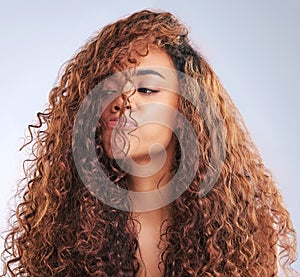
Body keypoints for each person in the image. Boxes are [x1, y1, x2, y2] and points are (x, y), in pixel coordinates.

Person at [1, 9, 298, 277]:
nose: (122, 102)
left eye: (146, 89)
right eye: (109, 89)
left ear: (186, 110)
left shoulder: (240, 234)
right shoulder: (61, 231)